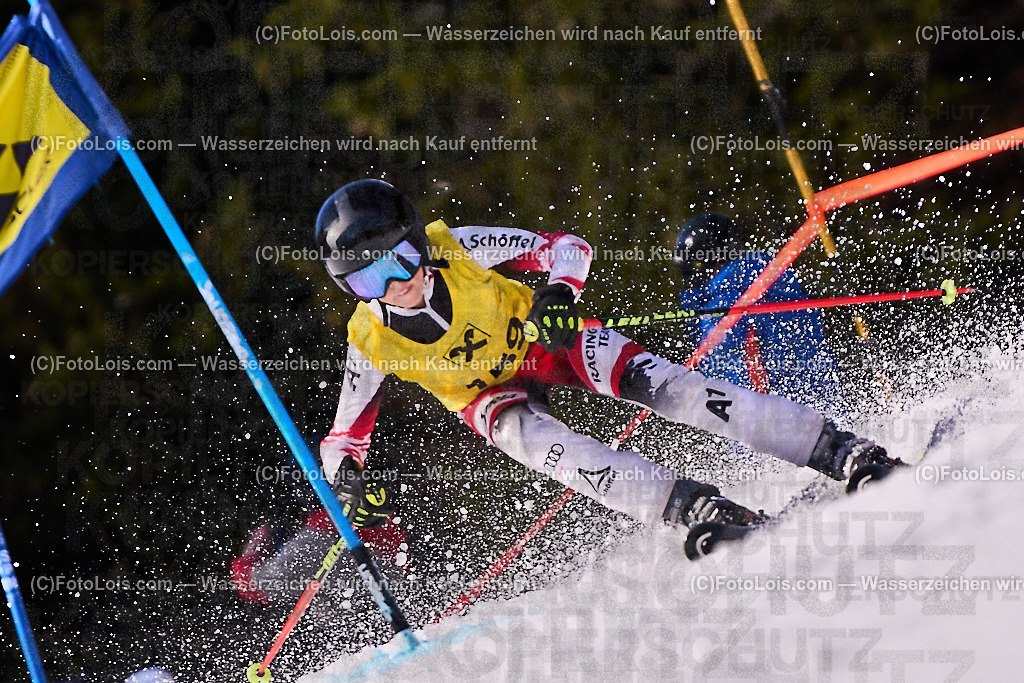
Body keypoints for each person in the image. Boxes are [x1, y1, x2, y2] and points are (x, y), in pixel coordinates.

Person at [315, 180, 901, 535]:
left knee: (673, 388)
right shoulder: (369, 342)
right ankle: (693, 508)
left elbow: (566, 248)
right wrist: (345, 480)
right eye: (367, 278)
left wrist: (558, 292)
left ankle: (835, 449)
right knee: (561, 454)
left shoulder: (460, 247)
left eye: (399, 259)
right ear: (350, 289)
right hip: (487, 397)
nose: (394, 283)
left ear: (419, 241)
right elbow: (342, 438)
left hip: (546, 341)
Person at [674, 212, 843, 415]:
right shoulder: (769, 272)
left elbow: (723, 342)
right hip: (817, 395)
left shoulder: (731, 288)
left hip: (773, 410)